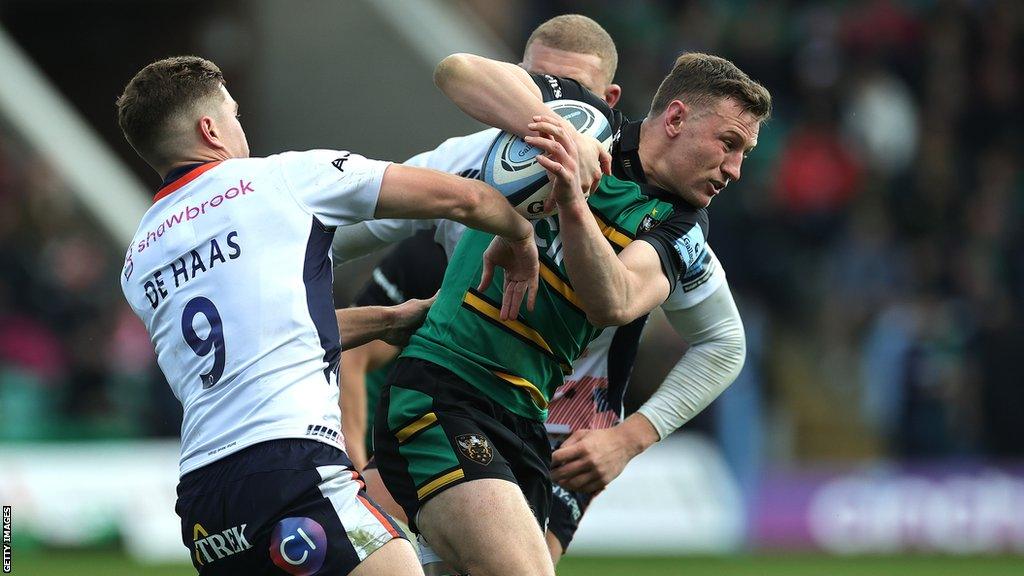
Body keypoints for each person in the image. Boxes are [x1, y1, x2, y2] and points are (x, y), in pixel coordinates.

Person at [335, 14, 749, 566]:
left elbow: (687, 328)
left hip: (556, 427)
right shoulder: (556, 129)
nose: (738, 169)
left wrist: (630, 438)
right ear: (675, 117)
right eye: (729, 144)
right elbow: (456, 70)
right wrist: (560, 141)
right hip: (454, 385)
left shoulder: (680, 228)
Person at [116, 55, 541, 575]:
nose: (238, 126)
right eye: (234, 115)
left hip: (205, 501)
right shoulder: (283, 178)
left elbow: (269, 338)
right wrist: (519, 238)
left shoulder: (138, 259)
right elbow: (465, 198)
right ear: (210, 129)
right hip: (290, 464)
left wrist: (390, 320)